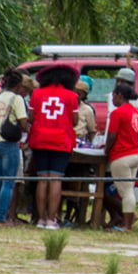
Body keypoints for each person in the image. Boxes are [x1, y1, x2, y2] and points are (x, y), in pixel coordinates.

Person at [27, 64, 81, 229]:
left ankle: (41, 219)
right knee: (56, 179)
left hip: (39, 140)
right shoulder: (71, 96)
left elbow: (31, 117)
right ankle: (52, 219)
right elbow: (76, 121)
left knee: (42, 179)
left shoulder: (36, 94)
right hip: (61, 141)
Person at [101, 76, 138, 231]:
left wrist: (106, 150)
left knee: (125, 191)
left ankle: (127, 223)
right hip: (135, 153)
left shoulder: (117, 113)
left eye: (113, 95)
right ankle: (126, 220)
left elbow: (112, 135)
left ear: (119, 95)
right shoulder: (135, 112)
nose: (112, 98)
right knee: (129, 189)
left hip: (121, 155)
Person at [0, 70, 29, 225]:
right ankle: (1, 218)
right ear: (18, 85)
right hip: (9, 143)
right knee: (8, 182)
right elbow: (23, 124)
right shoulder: (17, 99)